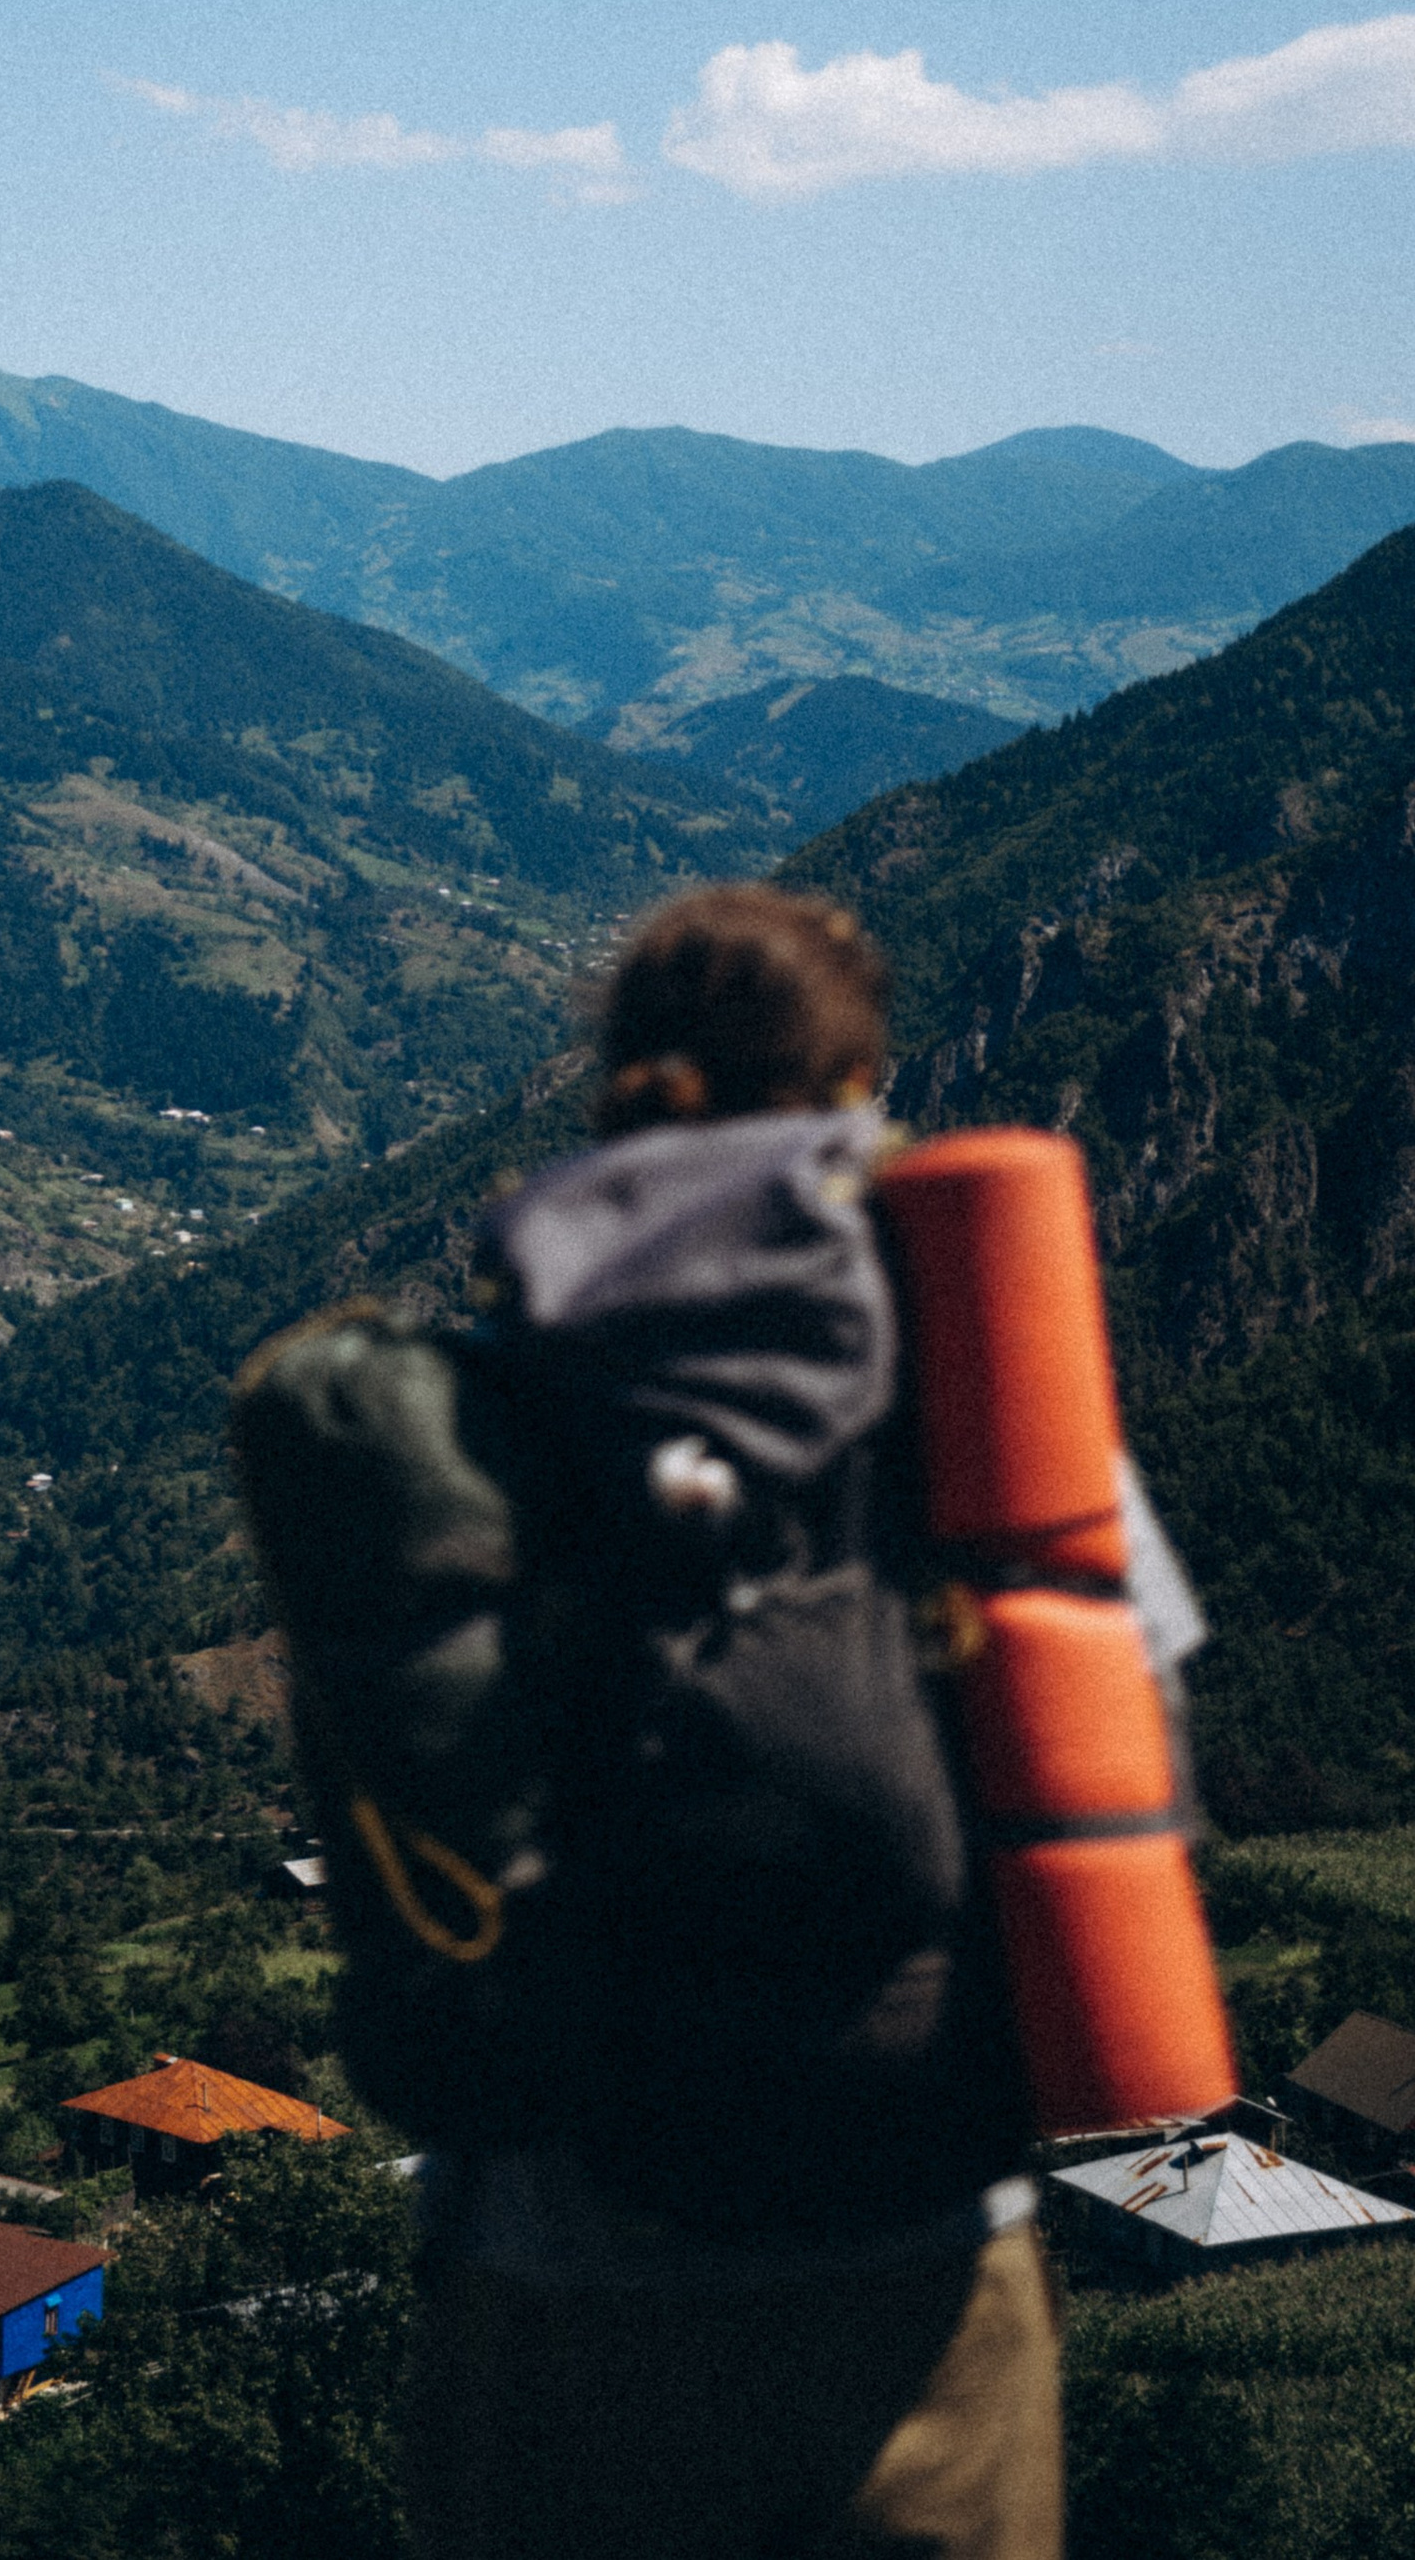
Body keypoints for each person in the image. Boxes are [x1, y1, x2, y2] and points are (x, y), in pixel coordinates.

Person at [238, 883, 1207, 2560]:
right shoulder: (991, 1421)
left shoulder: (471, 1419)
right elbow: (1142, 1769)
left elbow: (392, 1798)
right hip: (921, 2255)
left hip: (563, 2270)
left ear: (614, 1090)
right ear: (855, 1101)